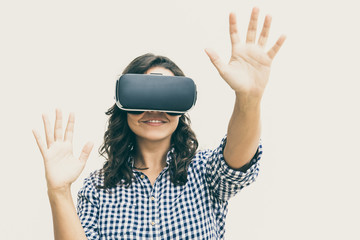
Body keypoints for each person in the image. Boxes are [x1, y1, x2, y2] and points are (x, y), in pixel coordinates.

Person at [32, 7, 285, 240]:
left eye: (167, 97)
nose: (155, 109)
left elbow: (239, 157)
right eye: (143, 96)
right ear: (124, 105)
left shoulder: (205, 172)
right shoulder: (98, 188)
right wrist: (59, 191)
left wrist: (248, 98)